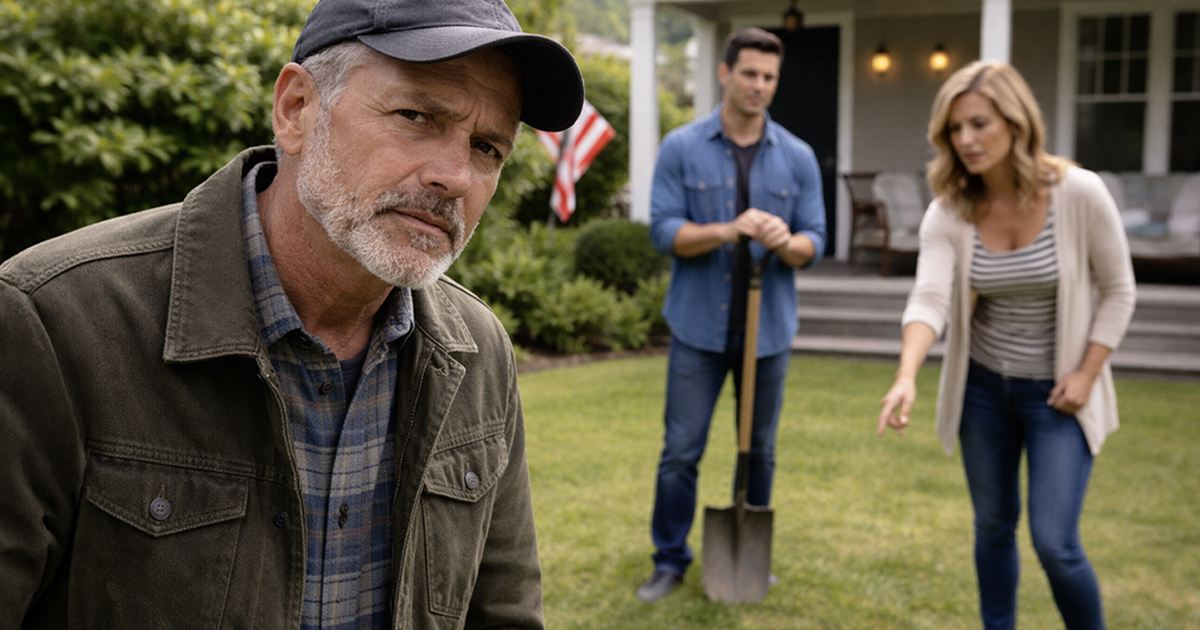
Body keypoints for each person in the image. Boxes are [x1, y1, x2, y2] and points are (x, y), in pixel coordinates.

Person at [0, 0, 584, 627]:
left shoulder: (477, 351)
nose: (456, 177)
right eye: (416, 115)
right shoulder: (53, 321)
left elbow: (503, 613)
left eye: (488, 147)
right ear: (297, 109)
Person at [877, 61, 1135, 630]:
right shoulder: (949, 209)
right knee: (992, 526)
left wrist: (1087, 375)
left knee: (1055, 542)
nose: (965, 141)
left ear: (1015, 123)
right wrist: (906, 374)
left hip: (1059, 393)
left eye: (978, 124)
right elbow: (929, 298)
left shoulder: (1079, 193)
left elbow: (1119, 291)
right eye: (953, 130)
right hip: (985, 391)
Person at [638, 27, 827, 602]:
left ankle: (752, 552)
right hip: (698, 328)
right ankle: (669, 560)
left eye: (770, 77)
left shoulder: (797, 156)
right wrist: (730, 228)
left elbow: (815, 241)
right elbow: (664, 232)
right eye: (749, 73)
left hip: (767, 334)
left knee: (760, 448)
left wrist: (784, 241)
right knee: (681, 451)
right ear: (725, 73)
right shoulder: (682, 146)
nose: (760, 86)